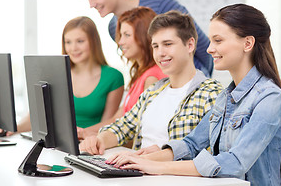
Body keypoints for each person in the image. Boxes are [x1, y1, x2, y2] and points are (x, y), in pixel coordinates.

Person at [108, 4, 281, 186]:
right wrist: (141, 158)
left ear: (247, 43)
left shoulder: (270, 97)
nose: (209, 49)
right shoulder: (227, 97)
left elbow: (235, 161)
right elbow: (191, 144)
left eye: (218, 41)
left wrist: (158, 167)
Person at [79, 11, 223, 155]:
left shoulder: (210, 93)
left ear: (190, 45)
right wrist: (99, 140)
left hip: (171, 175)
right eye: (155, 46)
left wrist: (162, 154)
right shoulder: (153, 92)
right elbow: (122, 127)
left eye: (167, 44)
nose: (160, 53)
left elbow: (213, 154)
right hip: (137, 172)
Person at [0, 16, 125, 140]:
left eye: (80, 41)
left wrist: (81, 134)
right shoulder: (56, 74)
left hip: (90, 145)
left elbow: (108, 124)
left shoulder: (113, 77)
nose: (73, 48)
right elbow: (37, 117)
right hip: (58, 145)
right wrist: (12, 129)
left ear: (93, 41)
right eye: (68, 42)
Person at [78, 0, 214, 77]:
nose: (91, 4)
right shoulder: (113, 28)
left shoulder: (164, 6)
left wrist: (200, 82)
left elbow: (203, 50)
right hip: (159, 92)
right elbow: (141, 65)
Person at [85, 6, 167, 136]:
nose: (120, 42)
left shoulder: (152, 78)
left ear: (144, 36)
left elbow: (140, 132)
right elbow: (116, 120)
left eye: (127, 35)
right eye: (121, 35)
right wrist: (83, 132)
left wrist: (96, 137)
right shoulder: (141, 74)